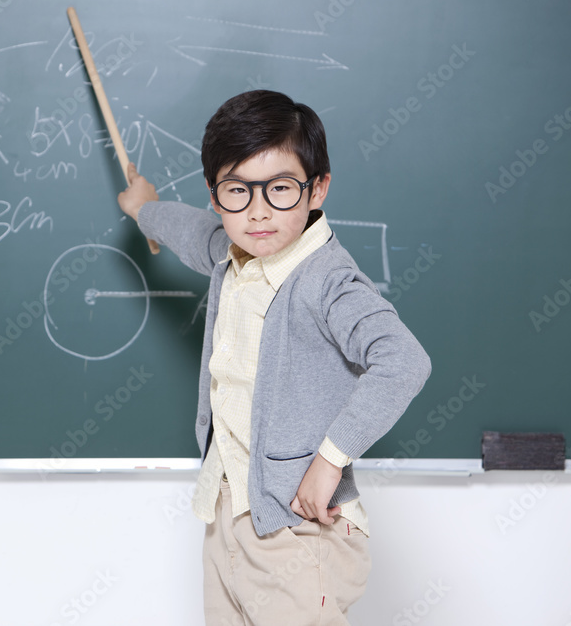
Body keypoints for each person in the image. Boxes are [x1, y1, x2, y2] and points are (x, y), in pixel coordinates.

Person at [117, 90, 431, 625]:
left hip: (297, 528)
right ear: (217, 196)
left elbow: (404, 360)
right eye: (237, 191)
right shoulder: (232, 254)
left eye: (281, 189)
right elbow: (191, 232)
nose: (259, 211)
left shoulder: (327, 281)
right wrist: (143, 208)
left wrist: (331, 460)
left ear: (317, 189)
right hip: (229, 514)